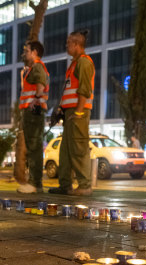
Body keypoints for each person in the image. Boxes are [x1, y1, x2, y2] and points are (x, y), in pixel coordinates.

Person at [49, 30, 95, 196]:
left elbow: (84, 89)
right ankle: (65, 185)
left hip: (77, 113)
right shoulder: (74, 64)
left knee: (78, 148)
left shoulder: (84, 62)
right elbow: (71, 89)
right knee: (66, 150)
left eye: (69, 43)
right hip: (70, 113)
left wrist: (79, 112)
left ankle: (84, 185)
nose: (66, 45)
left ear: (76, 44)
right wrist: (62, 108)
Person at [17, 40, 50, 194]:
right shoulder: (32, 69)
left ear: (35, 52)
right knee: (33, 147)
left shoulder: (37, 67)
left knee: (34, 148)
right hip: (32, 112)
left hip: (33, 113)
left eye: (27, 50)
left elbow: (41, 86)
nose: (24, 53)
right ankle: (35, 183)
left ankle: (35, 183)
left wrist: (35, 101)